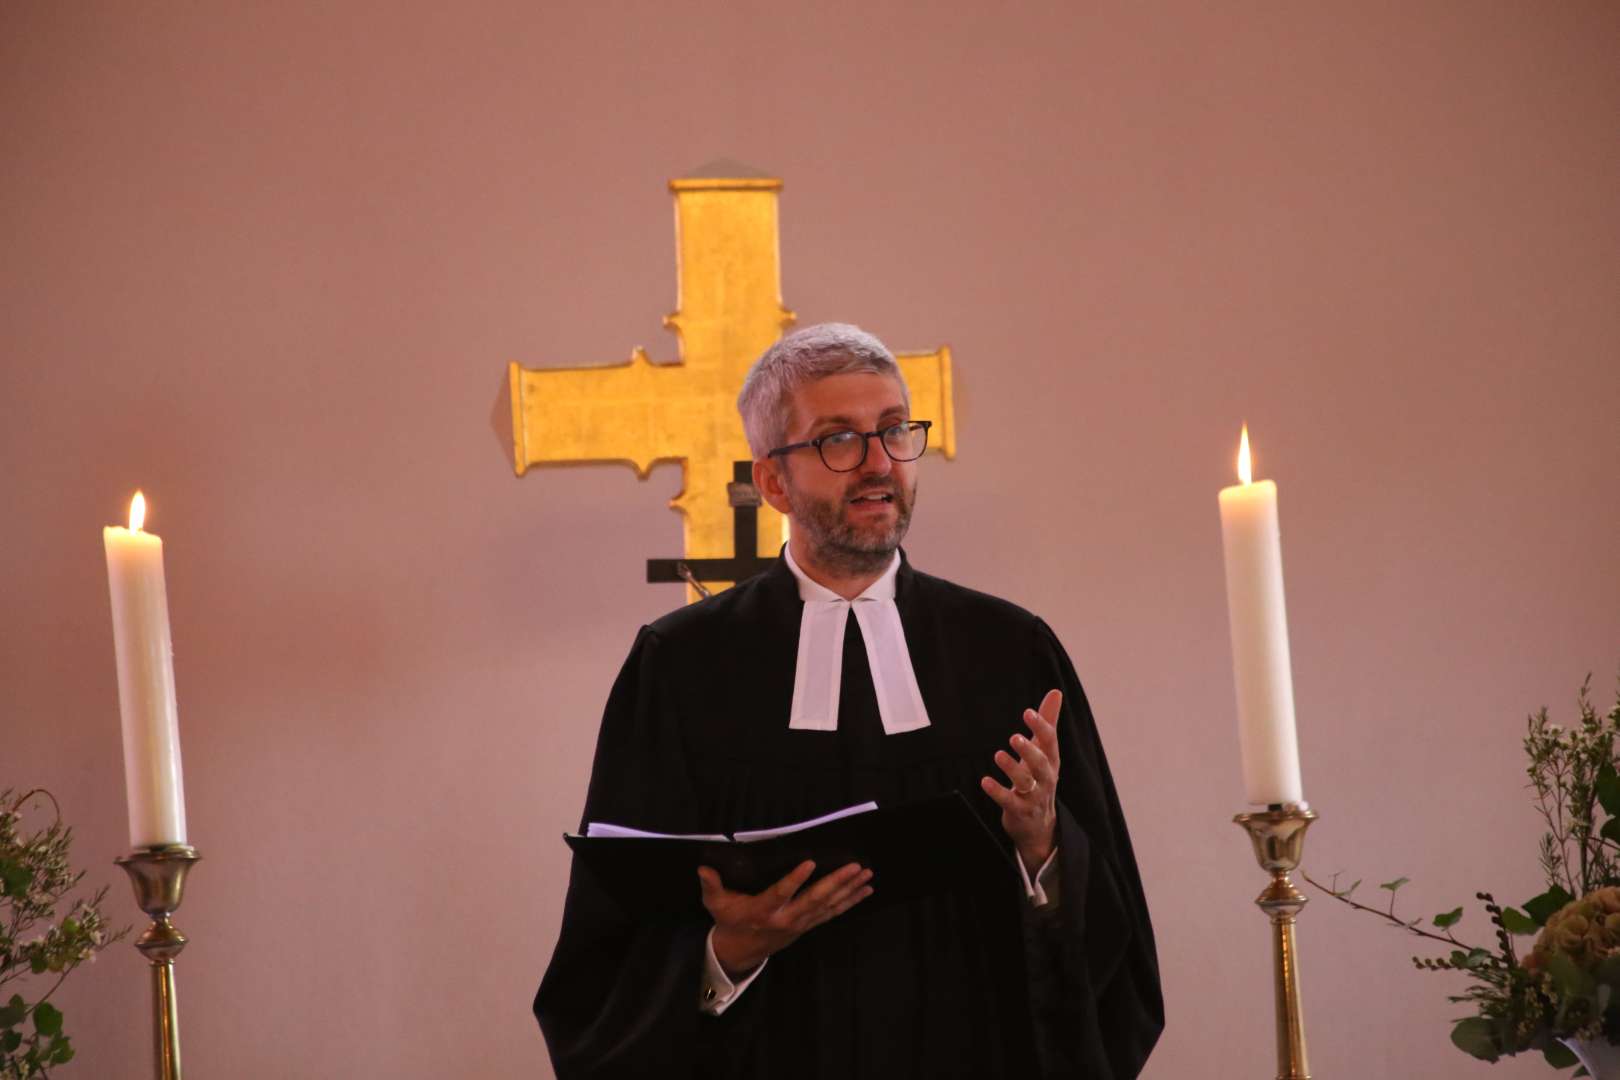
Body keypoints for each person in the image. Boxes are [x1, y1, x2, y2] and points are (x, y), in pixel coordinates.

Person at [535, 323, 1162, 1079]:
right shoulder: (681, 668)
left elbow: (1110, 955)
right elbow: (610, 951)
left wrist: (1043, 847)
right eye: (839, 440)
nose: (878, 464)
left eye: (895, 431)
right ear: (772, 482)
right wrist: (732, 951)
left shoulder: (1009, 650)